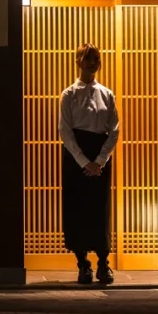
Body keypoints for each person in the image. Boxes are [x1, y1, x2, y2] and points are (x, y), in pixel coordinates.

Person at [59, 42, 120, 286]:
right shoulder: (68, 94)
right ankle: (82, 263)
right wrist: (84, 161)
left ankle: (103, 263)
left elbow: (114, 130)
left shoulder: (107, 93)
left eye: (96, 59)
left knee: (100, 207)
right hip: (76, 156)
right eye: (87, 58)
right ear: (78, 61)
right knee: (78, 207)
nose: (92, 63)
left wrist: (100, 160)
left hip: (100, 154)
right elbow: (64, 131)